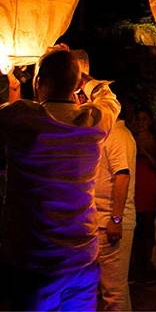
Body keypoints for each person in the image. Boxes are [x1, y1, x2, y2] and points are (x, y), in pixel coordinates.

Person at [0, 46, 120, 310]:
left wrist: (8, 77)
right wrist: (82, 77)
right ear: (76, 84)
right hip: (82, 256)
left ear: (38, 81)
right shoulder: (94, 121)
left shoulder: (21, 117)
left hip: (34, 257)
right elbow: (109, 98)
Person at [96, 116, 137, 310]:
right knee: (101, 288)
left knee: (114, 290)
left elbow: (122, 175)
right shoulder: (103, 134)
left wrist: (116, 218)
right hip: (99, 221)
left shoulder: (118, 134)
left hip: (110, 222)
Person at [131, 108, 156, 282]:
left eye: (144, 118)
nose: (141, 122)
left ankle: (148, 267)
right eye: (138, 119)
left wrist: (146, 155)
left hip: (148, 184)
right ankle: (136, 267)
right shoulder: (129, 137)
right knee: (136, 228)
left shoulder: (154, 141)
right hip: (135, 185)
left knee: (148, 227)